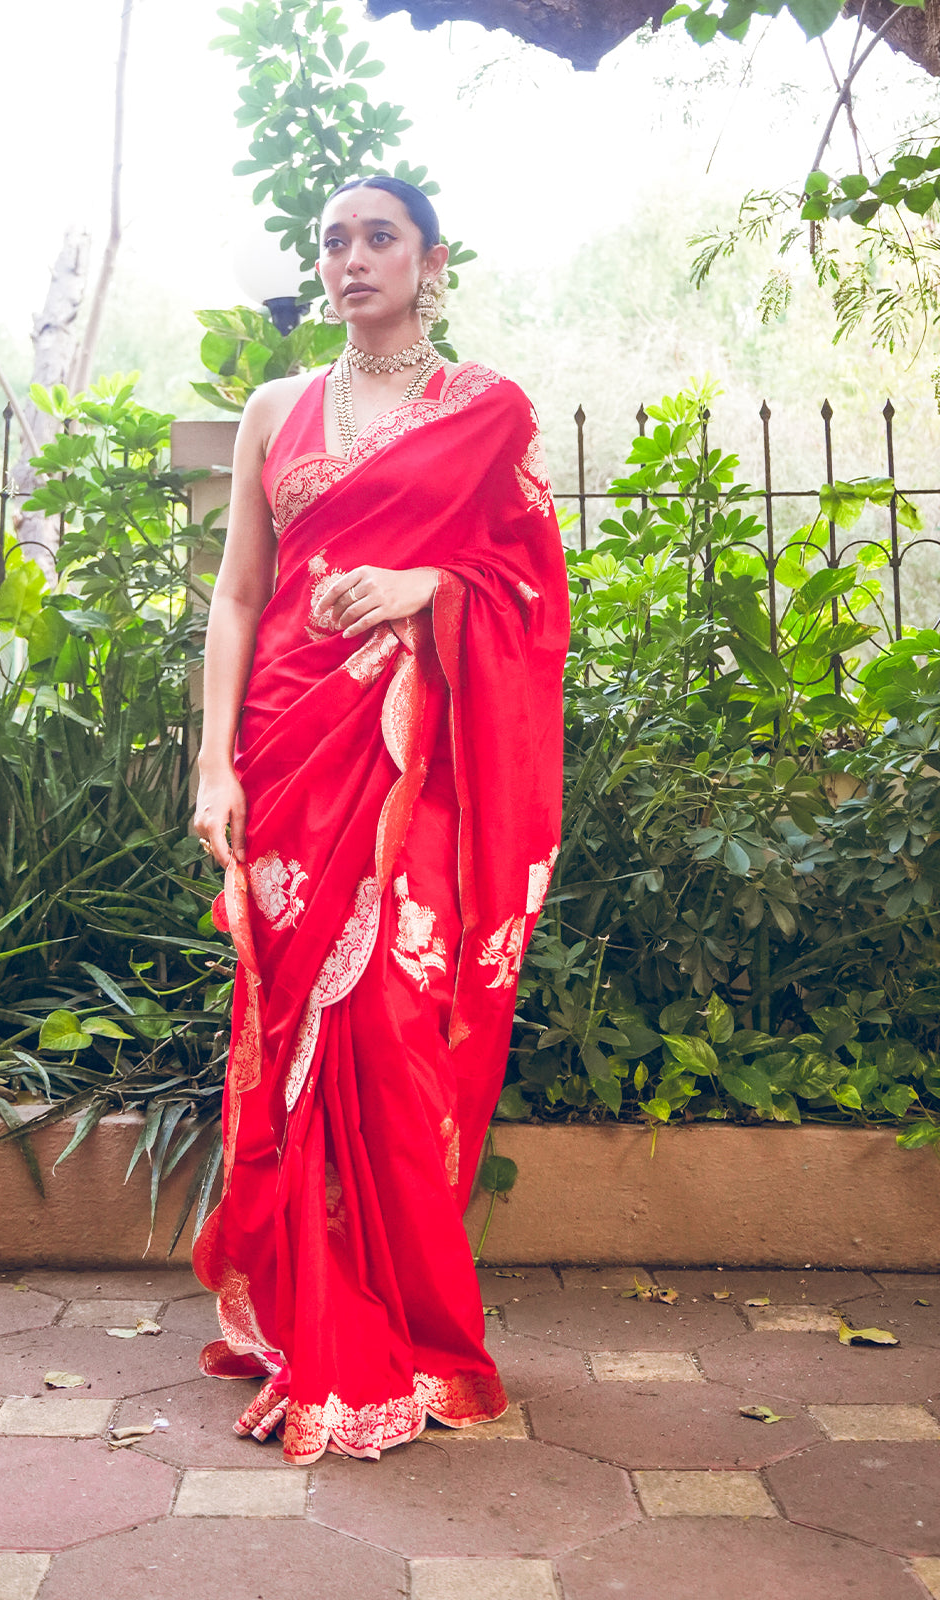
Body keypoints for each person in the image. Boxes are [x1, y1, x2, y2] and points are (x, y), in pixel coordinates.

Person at [190, 174, 569, 1465]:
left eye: (379, 238)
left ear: (430, 259)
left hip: (418, 767)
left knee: (396, 1027)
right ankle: (310, 1322)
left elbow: (528, 592)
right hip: (290, 747)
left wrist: (425, 582)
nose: (353, 258)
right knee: (294, 1026)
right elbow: (241, 595)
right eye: (335, 241)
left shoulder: (486, 411)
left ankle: (398, 1323)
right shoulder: (273, 410)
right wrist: (211, 766)